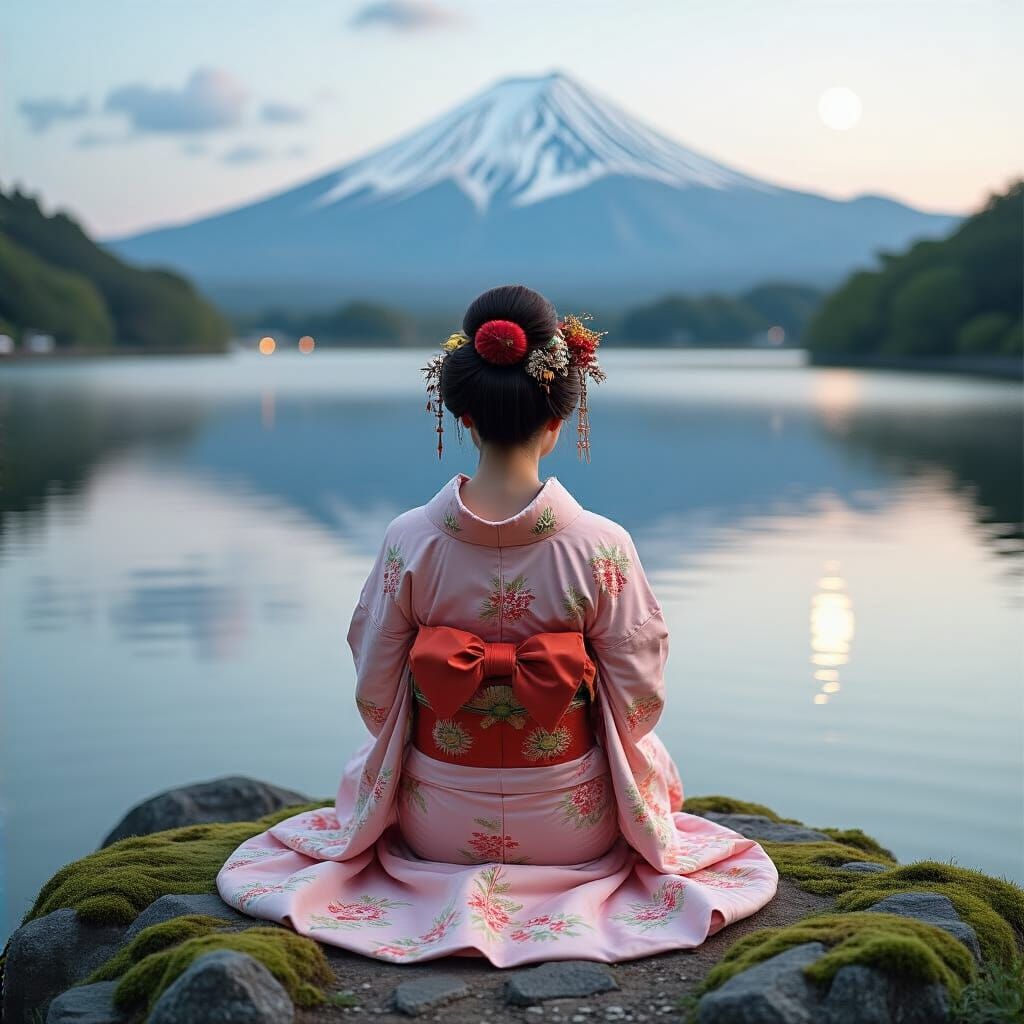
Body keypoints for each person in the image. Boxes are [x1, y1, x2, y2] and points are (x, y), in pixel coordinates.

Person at [216, 284, 778, 965]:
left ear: (464, 417)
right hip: (575, 824)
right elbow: (640, 699)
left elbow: (374, 690)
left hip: (436, 821)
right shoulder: (602, 546)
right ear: (558, 421)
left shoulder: (409, 542)